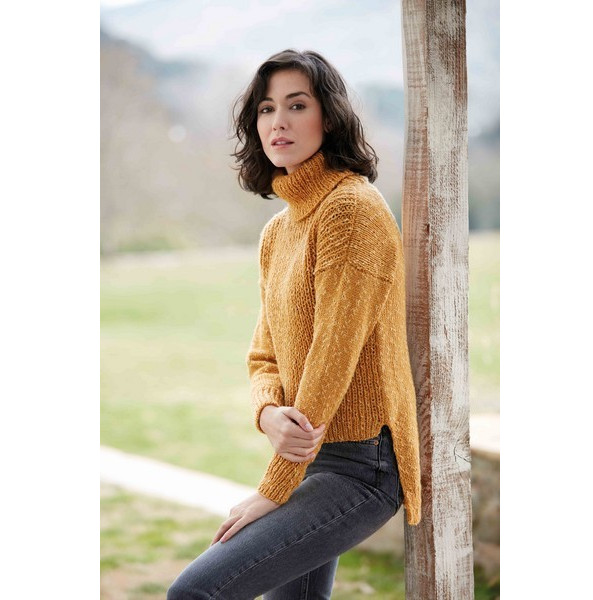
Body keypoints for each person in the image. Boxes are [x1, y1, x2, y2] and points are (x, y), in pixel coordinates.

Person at [167, 48, 421, 600]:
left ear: (328, 117)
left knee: (196, 592)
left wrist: (274, 488)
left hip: (363, 465)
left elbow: (333, 356)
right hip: (312, 459)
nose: (277, 121)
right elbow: (264, 355)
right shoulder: (277, 233)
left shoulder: (351, 210)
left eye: (296, 105)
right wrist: (265, 412)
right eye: (266, 108)